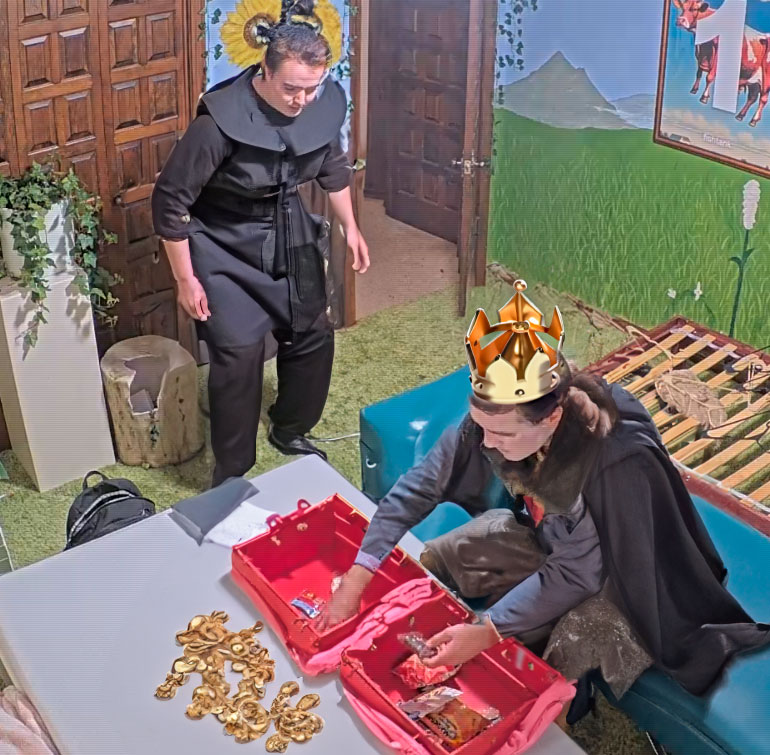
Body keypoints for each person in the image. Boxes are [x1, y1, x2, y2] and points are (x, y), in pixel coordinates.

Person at [318, 279, 770, 722]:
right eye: (482, 428)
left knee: (572, 640)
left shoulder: (616, 463)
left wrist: (486, 630)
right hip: (556, 540)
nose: (486, 444)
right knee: (449, 552)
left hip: (629, 576)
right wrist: (359, 575)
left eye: (502, 434)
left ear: (552, 418)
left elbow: (577, 572)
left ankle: (558, 705)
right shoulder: (497, 421)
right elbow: (421, 486)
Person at [151, 0, 368, 487]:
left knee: (313, 333)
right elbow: (170, 202)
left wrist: (351, 228)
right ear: (263, 72)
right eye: (291, 88)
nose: (302, 100)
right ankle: (232, 470)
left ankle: (290, 428)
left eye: (312, 88)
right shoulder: (215, 125)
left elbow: (333, 169)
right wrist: (186, 279)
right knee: (239, 353)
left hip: (289, 232)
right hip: (222, 245)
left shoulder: (316, 106)